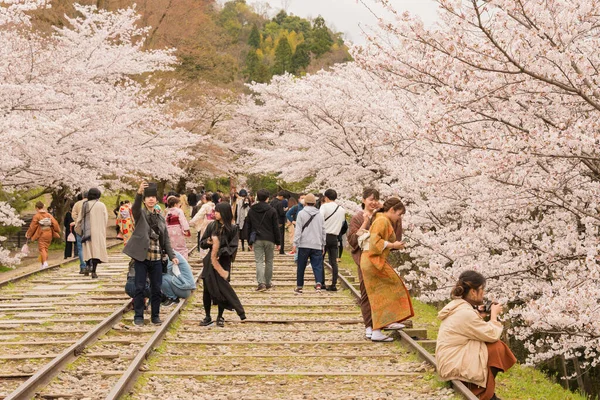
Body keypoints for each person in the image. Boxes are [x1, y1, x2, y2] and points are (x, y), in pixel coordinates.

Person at [436, 271, 517, 400]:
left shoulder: (458, 306)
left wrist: (479, 315)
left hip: (450, 360)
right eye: (481, 289)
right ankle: (485, 394)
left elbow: (470, 329)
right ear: (473, 292)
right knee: (496, 347)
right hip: (453, 364)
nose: (483, 293)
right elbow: (492, 335)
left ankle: (485, 391)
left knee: (490, 347)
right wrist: (494, 315)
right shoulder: (466, 313)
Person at [124, 181, 179, 326]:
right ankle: (138, 316)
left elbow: (165, 238)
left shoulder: (160, 217)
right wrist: (139, 192)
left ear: (157, 199)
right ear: (144, 199)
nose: (151, 199)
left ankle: (155, 316)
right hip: (141, 257)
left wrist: (172, 256)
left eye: (153, 197)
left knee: (156, 288)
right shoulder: (140, 213)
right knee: (139, 287)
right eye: (148, 197)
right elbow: (135, 207)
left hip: (156, 258)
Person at [360, 197, 414, 342]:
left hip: (372, 261)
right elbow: (374, 242)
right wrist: (393, 245)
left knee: (383, 292)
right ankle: (381, 326)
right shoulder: (382, 220)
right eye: (399, 214)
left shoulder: (381, 219)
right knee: (389, 289)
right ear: (391, 210)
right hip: (373, 261)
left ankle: (383, 324)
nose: (399, 218)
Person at [348, 188, 392, 339]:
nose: (373, 202)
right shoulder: (357, 218)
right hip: (364, 259)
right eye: (370, 199)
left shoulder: (381, 216)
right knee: (366, 293)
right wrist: (366, 221)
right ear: (363, 200)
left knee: (381, 291)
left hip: (379, 259)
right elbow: (353, 239)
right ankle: (369, 325)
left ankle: (381, 324)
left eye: (376, 199)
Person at [199, 202, 246, 327]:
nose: (215, 214)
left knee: (222, 289)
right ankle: (207, 315)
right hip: (210, 261)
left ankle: (220, 316)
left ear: (224, 213)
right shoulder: (211, 226)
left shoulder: (232, 228)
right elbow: (202, 242)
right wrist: (208, 242)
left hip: (223, 261)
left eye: (218, 212)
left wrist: (222, 251)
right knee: (207, 289)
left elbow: (233, 246)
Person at [246, 189, 281, 292]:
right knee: (269, 261)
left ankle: (261, 283)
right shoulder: (272, 210)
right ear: (267, 198)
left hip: (257, 239)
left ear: (257, 197)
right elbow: (276, 227)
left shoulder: (252, 210)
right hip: (270, 239)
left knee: (259, 261)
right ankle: (268, 282)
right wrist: (278, 242)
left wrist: (249, 241)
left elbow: (249, 226)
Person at [292, 193, 326, 294]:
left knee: (301, 266)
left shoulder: (301, 214)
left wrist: (295, 243)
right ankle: (318, 284)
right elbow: (323, 230)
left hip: (304, 244)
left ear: (305, 203)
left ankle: (299, 286)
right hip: (316, 244)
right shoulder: (319, 214)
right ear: (315, 203)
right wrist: (323, 244)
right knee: (317, 265)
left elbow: (298, 230)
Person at [75, 188, 108, 279]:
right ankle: (94, 271)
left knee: (88, 250)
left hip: (87, 231)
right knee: (96, 251)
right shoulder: (102, 205)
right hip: (99, 231)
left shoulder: (85, 205)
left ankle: (87, 266)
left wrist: (77, 227)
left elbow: (80, 218)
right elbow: (105, 218)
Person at [319, 189, 346, 291]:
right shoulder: (341, 210)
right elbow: (343, 223)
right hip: (334, 237)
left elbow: (320, 220)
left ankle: (322, 283)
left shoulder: (324, 206)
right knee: (333, 262)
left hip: (324, 236)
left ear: (326, 197)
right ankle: (333, 284)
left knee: (320, 260)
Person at [26, 201, 60, 269]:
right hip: (49, 232)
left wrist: (28, 234)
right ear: (43, 207)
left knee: (42, 248)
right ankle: (43, 264)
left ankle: (44, 263)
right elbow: (55, 223)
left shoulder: (37, 216)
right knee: (45, 248)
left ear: (36, 208)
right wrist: (57, 230)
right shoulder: (48, 215)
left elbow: (32, 226)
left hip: (42, 233)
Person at [71, 192, 88, 274]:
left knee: (80, 247)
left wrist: (77, 221)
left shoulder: (77, 204)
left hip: (79, 228)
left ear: (83, 196)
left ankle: (83, 266)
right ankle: (90, 264)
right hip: (89, 228)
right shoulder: (92, 204)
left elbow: (73, 215)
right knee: (89, 246)